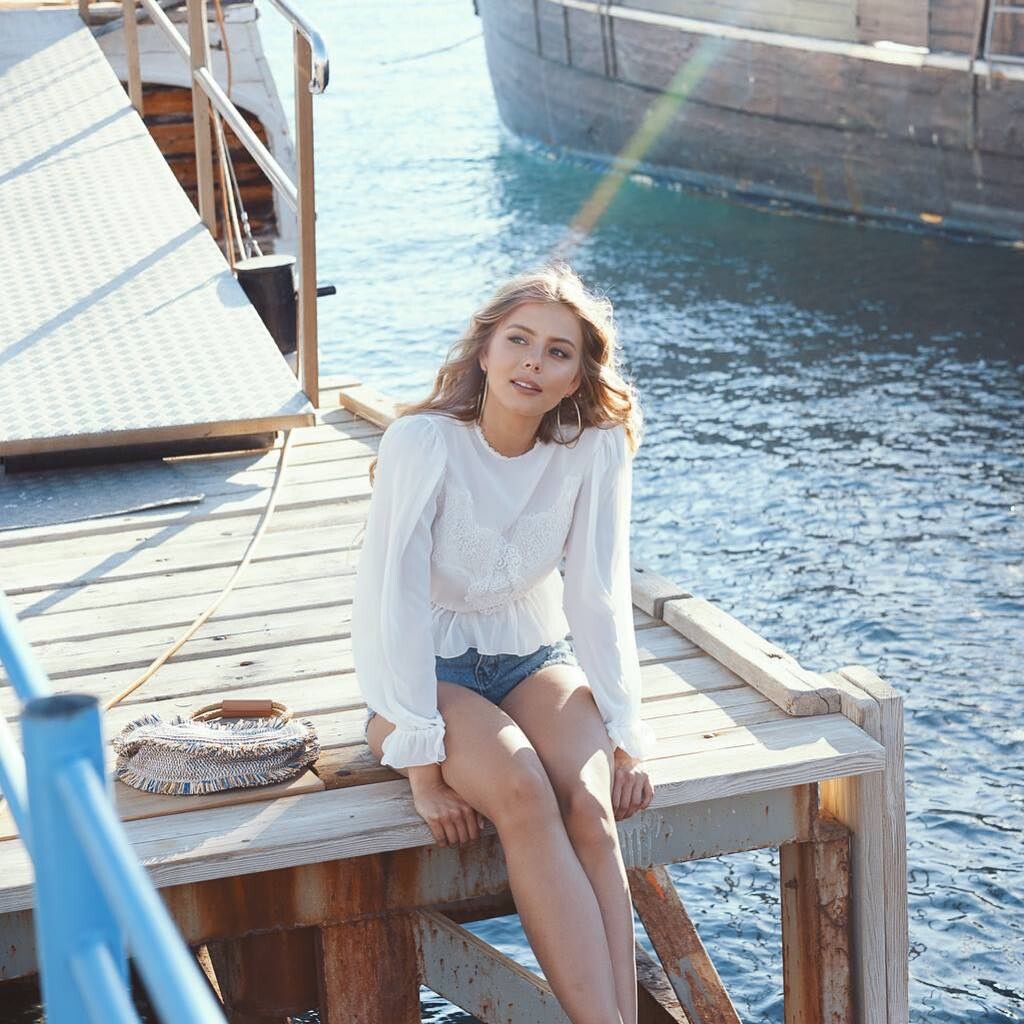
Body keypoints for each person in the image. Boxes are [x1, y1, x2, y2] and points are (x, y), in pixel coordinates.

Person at [351, 261, 657, 1024]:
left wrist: (625, 733)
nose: (533, 362)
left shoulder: (593, 447)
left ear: (577, 376)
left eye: (558, 351)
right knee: (523, 792)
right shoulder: (423, 443)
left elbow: (596, 592)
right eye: (518, 340)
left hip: (531, 656)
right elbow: (391, 604)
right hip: (425, 675)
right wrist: (422, 766)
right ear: (484, 350)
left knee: (591, 806)